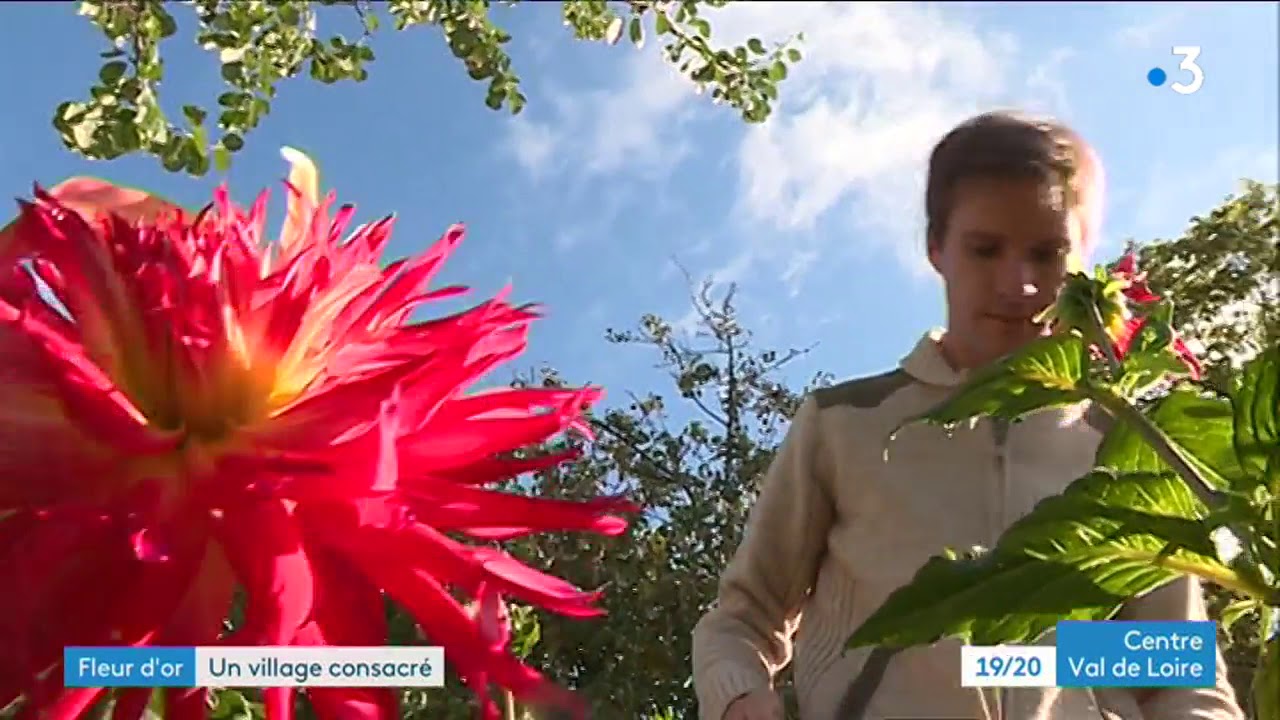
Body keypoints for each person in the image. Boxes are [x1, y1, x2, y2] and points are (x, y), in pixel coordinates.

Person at [690, 110, 1243, 720]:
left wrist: (1037, 656)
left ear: (1084, 261)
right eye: (986, 250)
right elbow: (743, 618)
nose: (1021, 283)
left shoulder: (1126, 445)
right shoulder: (845, 422)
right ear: (936, 249)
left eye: (1048, 252)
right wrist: (739, 696)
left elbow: (1178, 671)